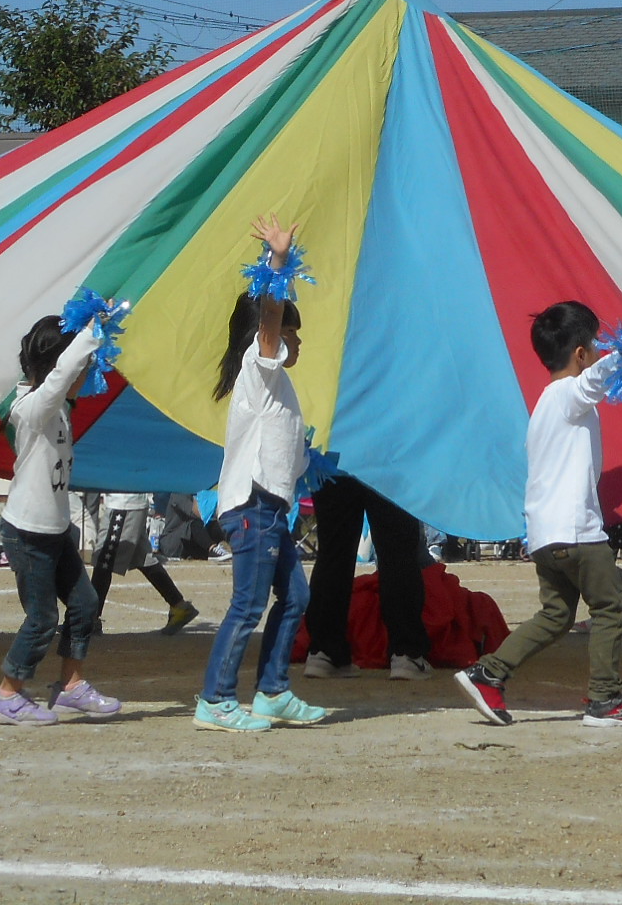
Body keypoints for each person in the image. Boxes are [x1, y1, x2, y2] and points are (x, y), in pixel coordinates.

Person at [453, 301, 622, 729]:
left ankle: (490, 673)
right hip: (575, 531)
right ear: (580, 353)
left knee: (554, 616)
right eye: (593, 345)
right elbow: (591, 382)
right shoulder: (569, 395)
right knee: (609, 609)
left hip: (544, 534)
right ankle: (605, 700)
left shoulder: (544, 405)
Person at [196, 216, 329, 733]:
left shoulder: (277, 388)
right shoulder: (259, 361)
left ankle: (272, 690)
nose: (297, 342)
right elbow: (269, 319)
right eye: (293, 333)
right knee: (247, 605)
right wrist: (278, 263)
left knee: (296, 597)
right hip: (253, 507)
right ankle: (215, 699)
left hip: (271, 506)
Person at [0, 309, 121, 726]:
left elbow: (63, 378)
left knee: (84, 603)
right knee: (42, 618)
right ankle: (7, 692)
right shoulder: (32, 406)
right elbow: (61, 375)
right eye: (80, 365)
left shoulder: (59, 404)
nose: (86, 372)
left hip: (56, 529)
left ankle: (71, 687)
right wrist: (89, 333)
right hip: (27, 532)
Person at [304, 474, 432, 680]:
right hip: (388, 457)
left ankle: (324, 651)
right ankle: (406, 653)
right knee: (397, 552)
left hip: (337, 458)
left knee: (333, 552)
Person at [85, 492, 198, 634]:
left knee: (104, 559)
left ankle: (89, 619)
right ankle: (179, 606)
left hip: (124, 503)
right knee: (143, 559)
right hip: (128, 503)